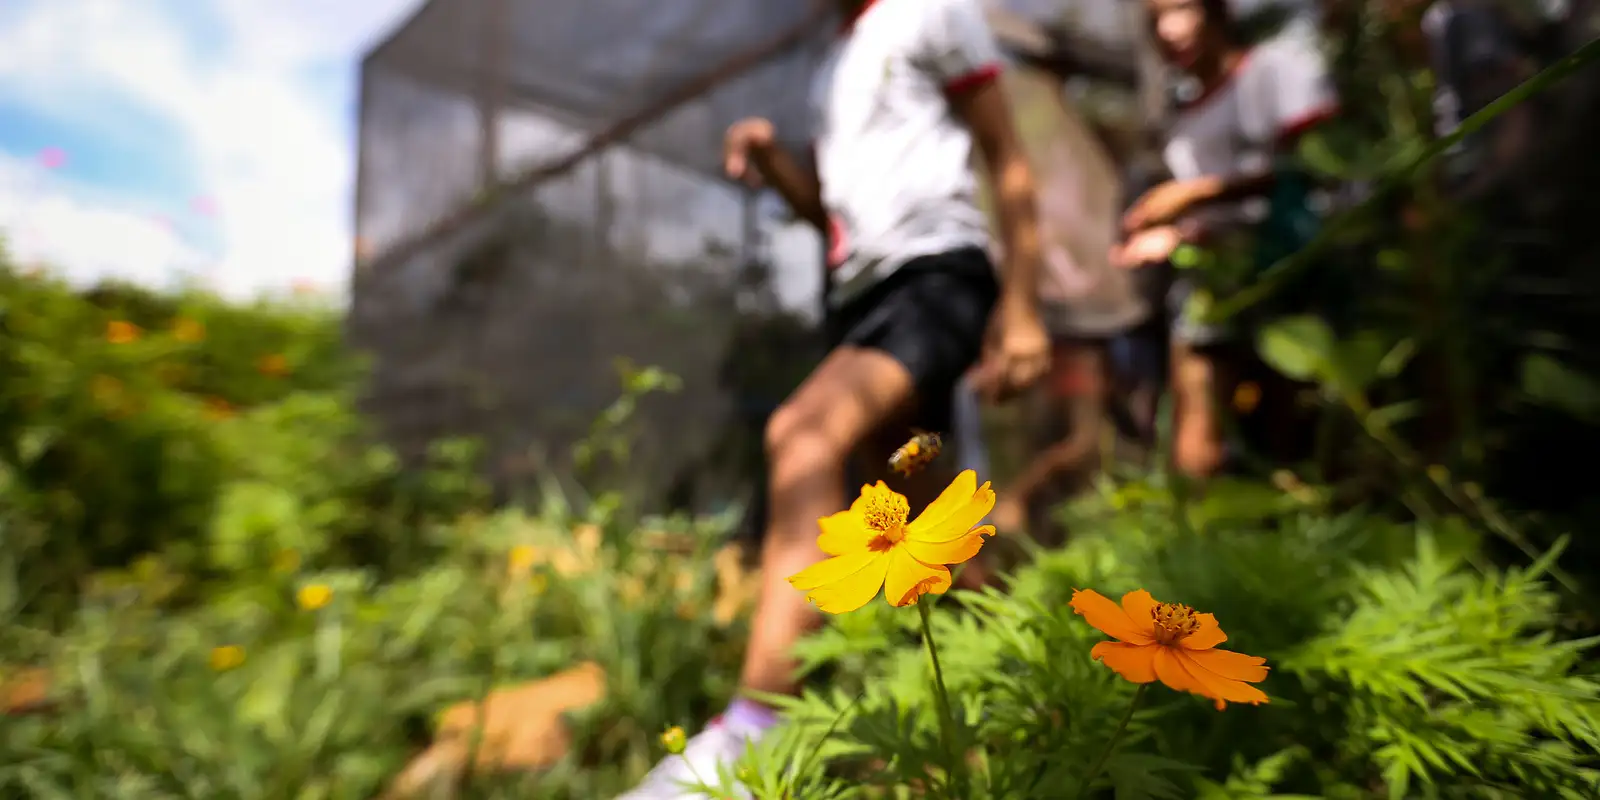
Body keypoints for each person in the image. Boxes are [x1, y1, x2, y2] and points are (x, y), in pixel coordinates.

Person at [617, 0, 1049, 797]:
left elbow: (1008, 155)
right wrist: (776, 160)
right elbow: (833, 217)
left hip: (936, 274)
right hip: (863, 292)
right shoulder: (834, 63)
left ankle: (755, 737)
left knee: (804, 436)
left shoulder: (935, 12)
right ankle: (1023, 722)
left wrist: (1021, 303)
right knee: (937, 544)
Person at [1111, 0, 1339, 479]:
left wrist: (1195, 193)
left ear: (1217, 12)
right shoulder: (1182, 116)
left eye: (1180, 9)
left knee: (1294, 413)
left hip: (1288, 268)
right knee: (1195, 408)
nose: (1169, 30)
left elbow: (1317, 166)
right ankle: (1200, 534)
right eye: (1155, 21)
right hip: (1212, 276)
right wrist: (1171, 232)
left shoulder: (1273, 73)